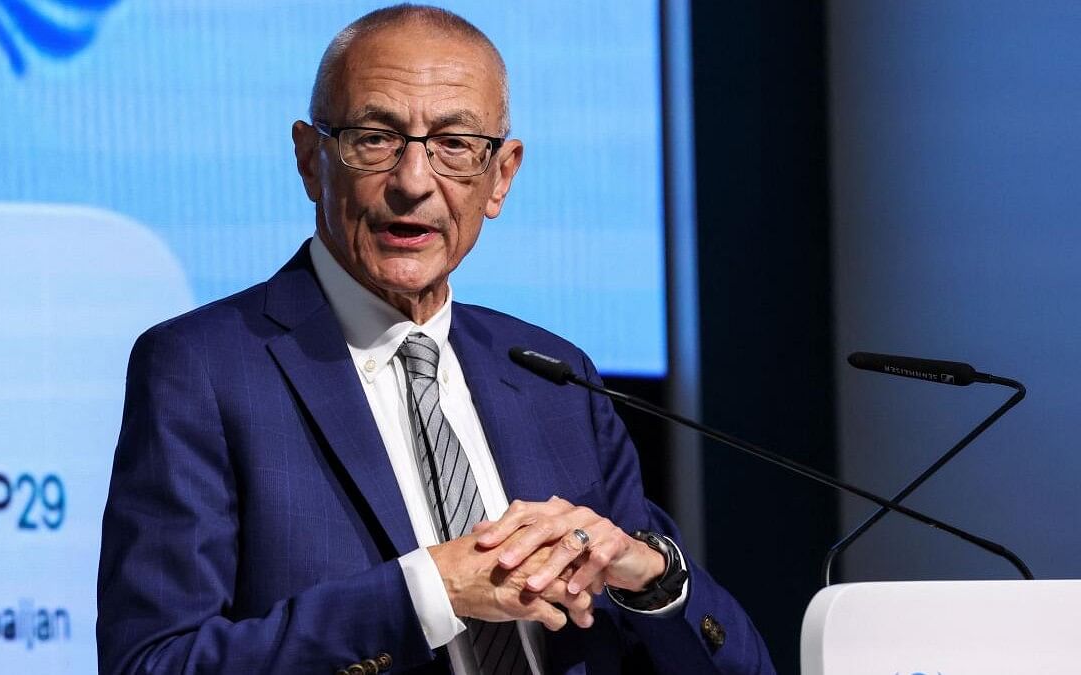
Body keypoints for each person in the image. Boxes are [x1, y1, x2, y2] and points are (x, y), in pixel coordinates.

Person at [97, 5, 774, 674]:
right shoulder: (205, 368)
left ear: (500, 176)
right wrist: (430, 591)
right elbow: (154, 662)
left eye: (454, 145)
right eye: (375, 137)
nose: (414, 182)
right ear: (310, 159)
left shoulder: (555, 378)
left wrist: (650, 576)